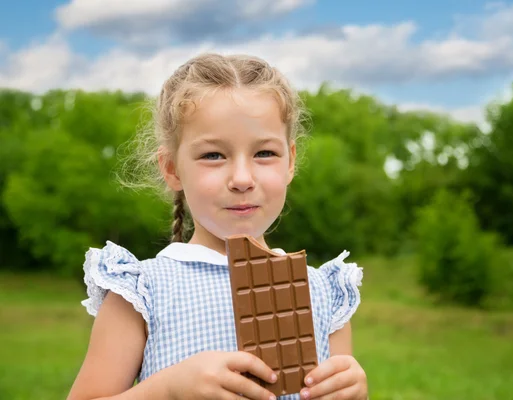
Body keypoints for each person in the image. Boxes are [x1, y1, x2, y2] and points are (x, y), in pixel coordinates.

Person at [67, 53, 367, 400]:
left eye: (265, 153)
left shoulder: (325, 294)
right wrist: (167, 390)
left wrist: (353, 392)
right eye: (213, 155)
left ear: (290, 161)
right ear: (172, 168)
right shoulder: (141, 292)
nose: (242, 178)